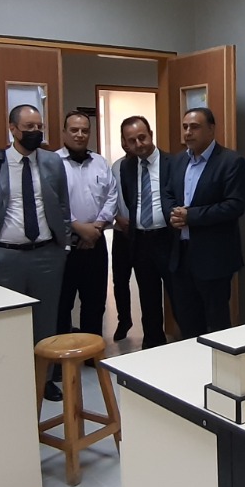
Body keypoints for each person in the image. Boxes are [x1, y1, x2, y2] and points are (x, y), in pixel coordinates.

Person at [0, 104, 70, 401]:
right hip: (4, 257)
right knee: (7, 323)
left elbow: (63, 206)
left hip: (47, 256)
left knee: (45, 322)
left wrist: (63, 245)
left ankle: (44, 379)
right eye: (29, 127)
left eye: (39, 126)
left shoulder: (52, 162)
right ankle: (9, 380)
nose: (36, 132)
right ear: (13, 129)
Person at [167, 107, 245, 338]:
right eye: (185, 127)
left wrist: (191, 216)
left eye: (194, 127)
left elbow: (235, 205)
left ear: (211, 130)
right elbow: (167, 194)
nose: (188, 132)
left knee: (217, 324)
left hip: (214, 258)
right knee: (187, 321)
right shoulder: (178, 160)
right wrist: (172, 213)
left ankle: (218, 363)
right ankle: (193, 360)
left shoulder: (231, 161)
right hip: (181, 256)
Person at [57, 111, 119, 342]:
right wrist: (78, 228)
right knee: (62, 304)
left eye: (85, 130)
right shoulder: (53, 163)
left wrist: (96, 228)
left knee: (95, 303)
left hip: (96, 242)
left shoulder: (100, 162)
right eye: (74, 130)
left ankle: (91, 353)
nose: (80, 135)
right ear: (64, 132)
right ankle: (63, 355)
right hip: (64, 245)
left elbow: (112, 195)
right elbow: (53, 201)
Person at [116, 115, 173, 348]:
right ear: (125, 143)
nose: (138, 144)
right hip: (140, 241)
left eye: (142, 137)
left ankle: (188, 343)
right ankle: (152, 345)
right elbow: (131, 199)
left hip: (168, 239)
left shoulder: (173, 163)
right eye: (132, 140)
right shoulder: (126, 167)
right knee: (148, 299)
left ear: (151, 134)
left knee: (179, 295)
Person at [108, 144, 135, 342]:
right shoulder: (116, 167)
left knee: (147, 281)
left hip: (143, 233)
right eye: (127, 140)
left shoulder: (151, 166)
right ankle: (124, 320)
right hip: (120, 231)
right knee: (120, 280)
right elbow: (110, 197)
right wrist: (117, 217)